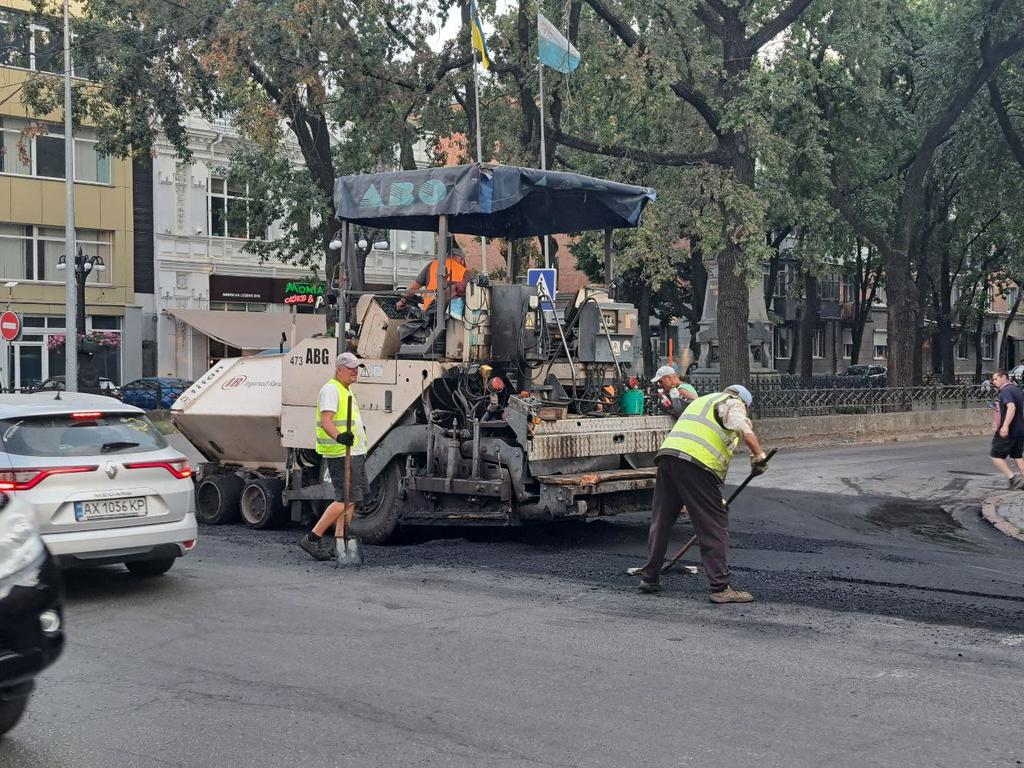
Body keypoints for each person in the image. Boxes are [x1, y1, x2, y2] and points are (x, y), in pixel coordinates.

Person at [636, 384, 769, 603]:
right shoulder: (732, 403)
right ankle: (720, 587)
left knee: (661, 520)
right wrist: (758, 455)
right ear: (743, 402)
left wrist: (719, 498)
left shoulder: (701, 402)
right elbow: (743, 427)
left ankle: (650, 577)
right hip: (695, 465)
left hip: (668, 458)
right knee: (714, 525)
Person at [299, 352, 369, 562]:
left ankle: (340, 538)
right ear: (339, 370)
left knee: (350, 499)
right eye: (351, 368)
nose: (355, 371)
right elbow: (326, 420)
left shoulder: (345, 390)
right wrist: (340, 437)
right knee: (345, 498)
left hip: (353, 452)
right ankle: (313, 538)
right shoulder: (331, 389)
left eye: (357, 367)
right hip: (340, 453)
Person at [396, 247, 468, 312]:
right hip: (453, 314)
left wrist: (402, 301)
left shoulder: (432, 265)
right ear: (461, 260)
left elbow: (413, 287)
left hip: (429, 313)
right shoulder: (465, 272)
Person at [989, 369, 1024, 489]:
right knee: (1017, 456)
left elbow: (1012, 407)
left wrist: (1005, 426)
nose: (994, 382)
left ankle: (1012, 479)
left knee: (996, 455)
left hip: (1008, 431)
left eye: (996, 379)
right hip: (1020, 429)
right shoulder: (1016, 389)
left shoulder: (1005, 391)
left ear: (1004, 377)